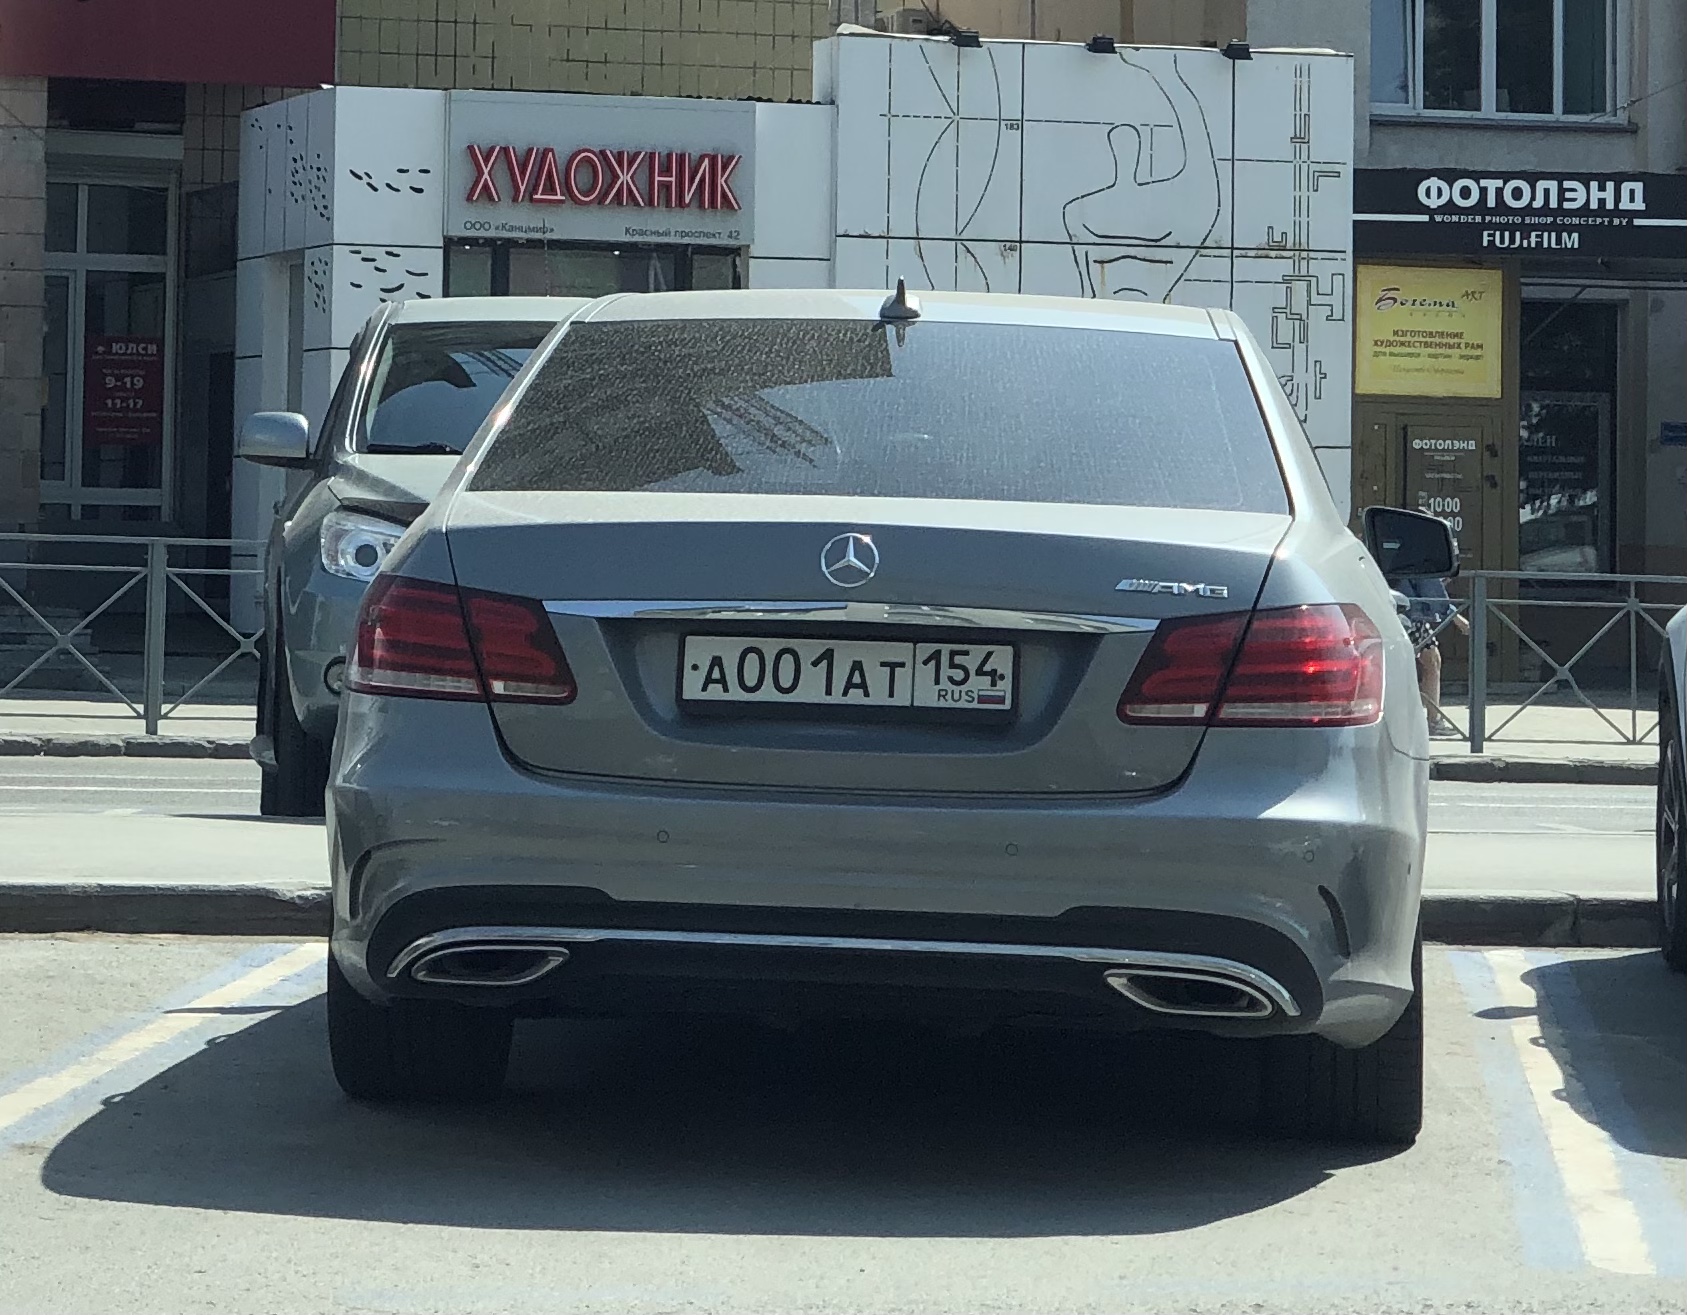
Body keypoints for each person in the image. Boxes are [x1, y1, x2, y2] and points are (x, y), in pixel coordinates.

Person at [1397, 574, 1471, 738]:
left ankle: (1431, 720)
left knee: (1431, 661)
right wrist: (1456, 617)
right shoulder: (1423, 562)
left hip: (1408, 613)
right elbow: (1432, 592)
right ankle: (1426, 721)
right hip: (1410, 615)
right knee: (1407, 667)